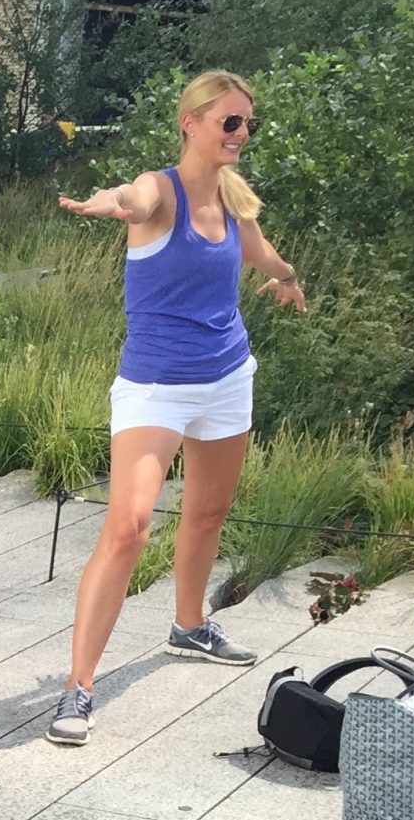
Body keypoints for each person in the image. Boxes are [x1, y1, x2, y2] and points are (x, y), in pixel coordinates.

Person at [46, 68, 307, 745]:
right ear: (190, 123)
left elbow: (257, 251)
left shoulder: (234, 199)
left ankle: (190, 625)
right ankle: (78, 687)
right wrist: (108, 202)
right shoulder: (160, 190)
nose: (241, 133)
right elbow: (131, 198)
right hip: (156, 385)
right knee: (128, 528)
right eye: (229, 121)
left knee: (209, 511)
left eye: (248, 123)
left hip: (228, 377)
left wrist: (287, 279)